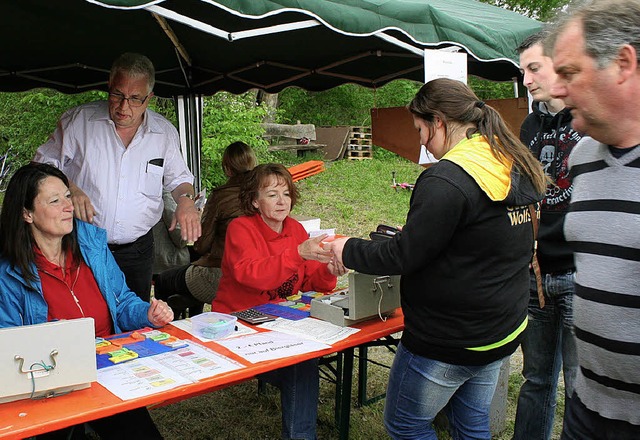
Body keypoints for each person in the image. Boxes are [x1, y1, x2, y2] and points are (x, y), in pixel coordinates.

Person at [326, 78, 546, 440]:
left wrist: (346, 247)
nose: (421, 141)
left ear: (439, 122)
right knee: (472, 424)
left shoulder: (447, 178)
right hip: (500, 329)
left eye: (420, 130)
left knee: (406, 425)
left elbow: (402, 254)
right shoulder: (508, 162)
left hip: (450, 338)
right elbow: (482, 238)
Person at [0, 163, 174, 440]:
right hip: (50, 384)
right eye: (55, 201)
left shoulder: (91, 246)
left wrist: (147, 314)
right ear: (27, 213)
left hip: (108, 368)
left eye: (67, 196)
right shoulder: (8, 273)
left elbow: (123, 300)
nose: (68, 206)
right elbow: (7, 345)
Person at [33, 52, 201, 302]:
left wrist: (186, 201)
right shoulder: (79, 122)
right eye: (117, 95)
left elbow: (178, 180)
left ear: (149, 98)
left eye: (135, 99)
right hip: (82, 243)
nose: (124, 107)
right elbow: (40, 167)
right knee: (86, 316)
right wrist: (69, 188)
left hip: (137, 249)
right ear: (108, 88)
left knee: (134, 320)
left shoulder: (164, 133)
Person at [545, 1, 640, 438]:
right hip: (588, 405)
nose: (555, 90)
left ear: (623, 63)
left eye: (568, 73)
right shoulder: (583, 157)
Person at [211, 163, 346, 440]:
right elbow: (253, 275)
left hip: (279, 320)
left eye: (286, 193)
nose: (282, 201)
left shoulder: (295, 229)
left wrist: (329, 270)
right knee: (301, 364)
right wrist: (298, 253)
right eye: (272, 194)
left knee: (303, 359)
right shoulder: (241, 228)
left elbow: (309, 283)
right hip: (238, 321)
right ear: (254, 201)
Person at [512, 31, 582, 440]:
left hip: (580, 275)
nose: (527, 80)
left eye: (533, 68)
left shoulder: (591, 120)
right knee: (536, 380)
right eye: (523, 71)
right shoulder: (530, 124)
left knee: (580, 386)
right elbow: (521, 192)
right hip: (536, 274)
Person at [154, 141, 257, 316]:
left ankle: (167, 330)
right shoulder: (261, 192)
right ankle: (193, 314)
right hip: (254, 270)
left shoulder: (221, 196)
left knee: (164, 280)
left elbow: (201, 245)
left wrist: (200, 217)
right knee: (191, 265)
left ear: (227, 169)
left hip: (222, 274)